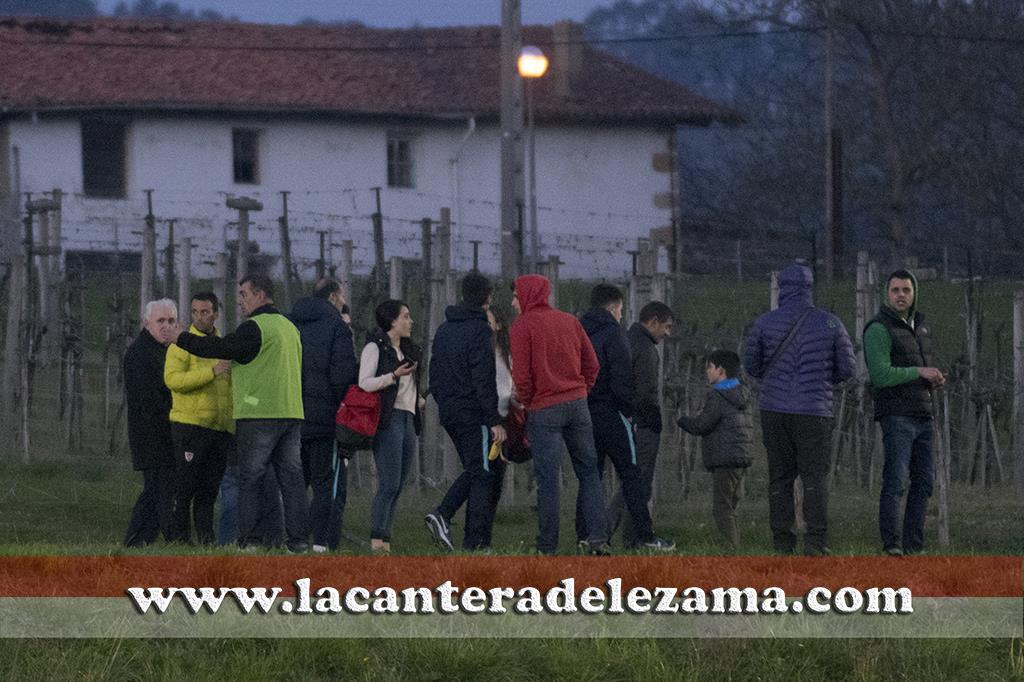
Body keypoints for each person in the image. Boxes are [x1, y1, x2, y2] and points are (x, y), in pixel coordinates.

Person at [174, 273, 310, 553]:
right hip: (291, 412)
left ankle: (249, 540)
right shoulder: (289, 327)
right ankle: (297, 542)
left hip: (258, 413)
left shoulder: (255, 327)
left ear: (260, 295)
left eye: (244, 295)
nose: (240, 301)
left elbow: (222, 348)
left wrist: (183, 339)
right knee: (292, 480)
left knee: (250, 478)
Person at [744, 262, 856, 555]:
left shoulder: (764, 323)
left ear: (782, 289)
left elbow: (751, 366)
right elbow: (848, 368)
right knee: (814, 479)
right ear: (809, 288)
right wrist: (821, 380)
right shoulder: (831, 323)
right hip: (815, 410)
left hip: (774, 410)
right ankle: (816, 544)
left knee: (779, 477)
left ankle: (782, 543)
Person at [510, 274, 609, 555]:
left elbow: (523, 375)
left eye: (516, 295)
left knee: (548, 479)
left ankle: (547, 545)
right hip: (577, 403)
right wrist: (582, 390)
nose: (513, 302)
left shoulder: (522, 327)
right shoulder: (570, 321)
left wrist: (529, 403)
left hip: (544, 408)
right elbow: (592, 364)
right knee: (589, 472)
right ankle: (597, 539)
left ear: (527, 295)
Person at [580, 284, 674, 551]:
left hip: (586, 412)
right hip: (628, 419)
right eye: (665, 327)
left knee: (591, 476)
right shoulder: (636, 345)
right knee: (634, 479)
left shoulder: (582, 331)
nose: (667, 334)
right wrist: (634, 414)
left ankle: (589, 534)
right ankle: (637, 536)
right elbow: (640, 390)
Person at [864, 269, 945, 556]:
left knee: (924, 482)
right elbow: (881, 375)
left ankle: (914, 546)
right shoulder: (878, 329)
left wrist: (932, 378)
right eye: (896, 290)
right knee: (896, 480)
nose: (901, 295)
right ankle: (892, 545)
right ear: (887, 294)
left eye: (906, 290)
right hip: (896, 414)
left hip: (924, 414)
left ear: (914, 294)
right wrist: (919, 371)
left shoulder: (919, 328)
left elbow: (917, 368)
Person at [426, 273, 506, 552]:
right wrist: (494, 419)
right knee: (482, 473)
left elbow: (434, 374)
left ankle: (475, 540)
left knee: (478, 470)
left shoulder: (445, 329)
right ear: (487, 298)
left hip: (449, 412)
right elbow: (483, 378)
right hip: (474, 413)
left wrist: (444, 399)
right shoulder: (481, 331)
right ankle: (459, 529)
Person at [290, 279, 358, 553]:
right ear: (332, 296)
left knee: (294, 482)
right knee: (325, 483)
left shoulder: (291, 323)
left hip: (291, 416)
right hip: (324, 418)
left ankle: (291, 539)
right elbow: (342, 376)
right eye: (341, 295)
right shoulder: (336, 328)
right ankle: (321, 542)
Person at [163, 292, 233, 544]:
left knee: (209, 489)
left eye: (205, 312)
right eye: (195, 312)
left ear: (215, 314)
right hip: (190, 425)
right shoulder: (181, 344)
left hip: (219, 428)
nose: (200, 317)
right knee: (185, 487)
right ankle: (179, 540)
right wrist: (210, 372)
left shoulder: (223, 345)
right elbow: (173, 380)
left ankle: (206, 539)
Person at [359, 299, 422, 553]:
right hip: (389, 417)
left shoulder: (408, 350)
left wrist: (419, 399)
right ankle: (376, 537)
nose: (410, 321)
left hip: (408, 416)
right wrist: (393, 376)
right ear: (392, 321)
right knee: (389, 482)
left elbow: (411, 386)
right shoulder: (376, 348)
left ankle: (386, 535)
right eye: (405, 317)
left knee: (400, 482)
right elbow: (364, 383)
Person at [677, 350, 754, 550]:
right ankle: (734, 543)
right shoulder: (741, 394)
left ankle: (730, 547)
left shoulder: (719, 396)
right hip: (740, 456)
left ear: (721, 370)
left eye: (709, 368)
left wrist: (683, 420)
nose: (707, 372)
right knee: (731, 503)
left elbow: (702, 425)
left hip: (725, 457)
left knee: (721, 507)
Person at [613, 300, 674, 547]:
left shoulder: (626, 341)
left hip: (625, 420)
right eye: (666, 327)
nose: (667, 334)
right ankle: (631, 536)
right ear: (653, 322)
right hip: (643, 424)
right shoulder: (646, 349)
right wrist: (653, 421)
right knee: (638, 484)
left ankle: (625, 535)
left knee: (631, 482)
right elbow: (647, 392)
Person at [123, 298, 180, 547]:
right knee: (157, 491)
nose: (166, 326)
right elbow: (149, 398)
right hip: (151, 434)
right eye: (160, 321)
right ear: (147, 323)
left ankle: (142, 541)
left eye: (170, 321)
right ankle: (137, 540)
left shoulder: (168, 350)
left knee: (160, 491)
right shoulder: (139, 353)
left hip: (165, 432)